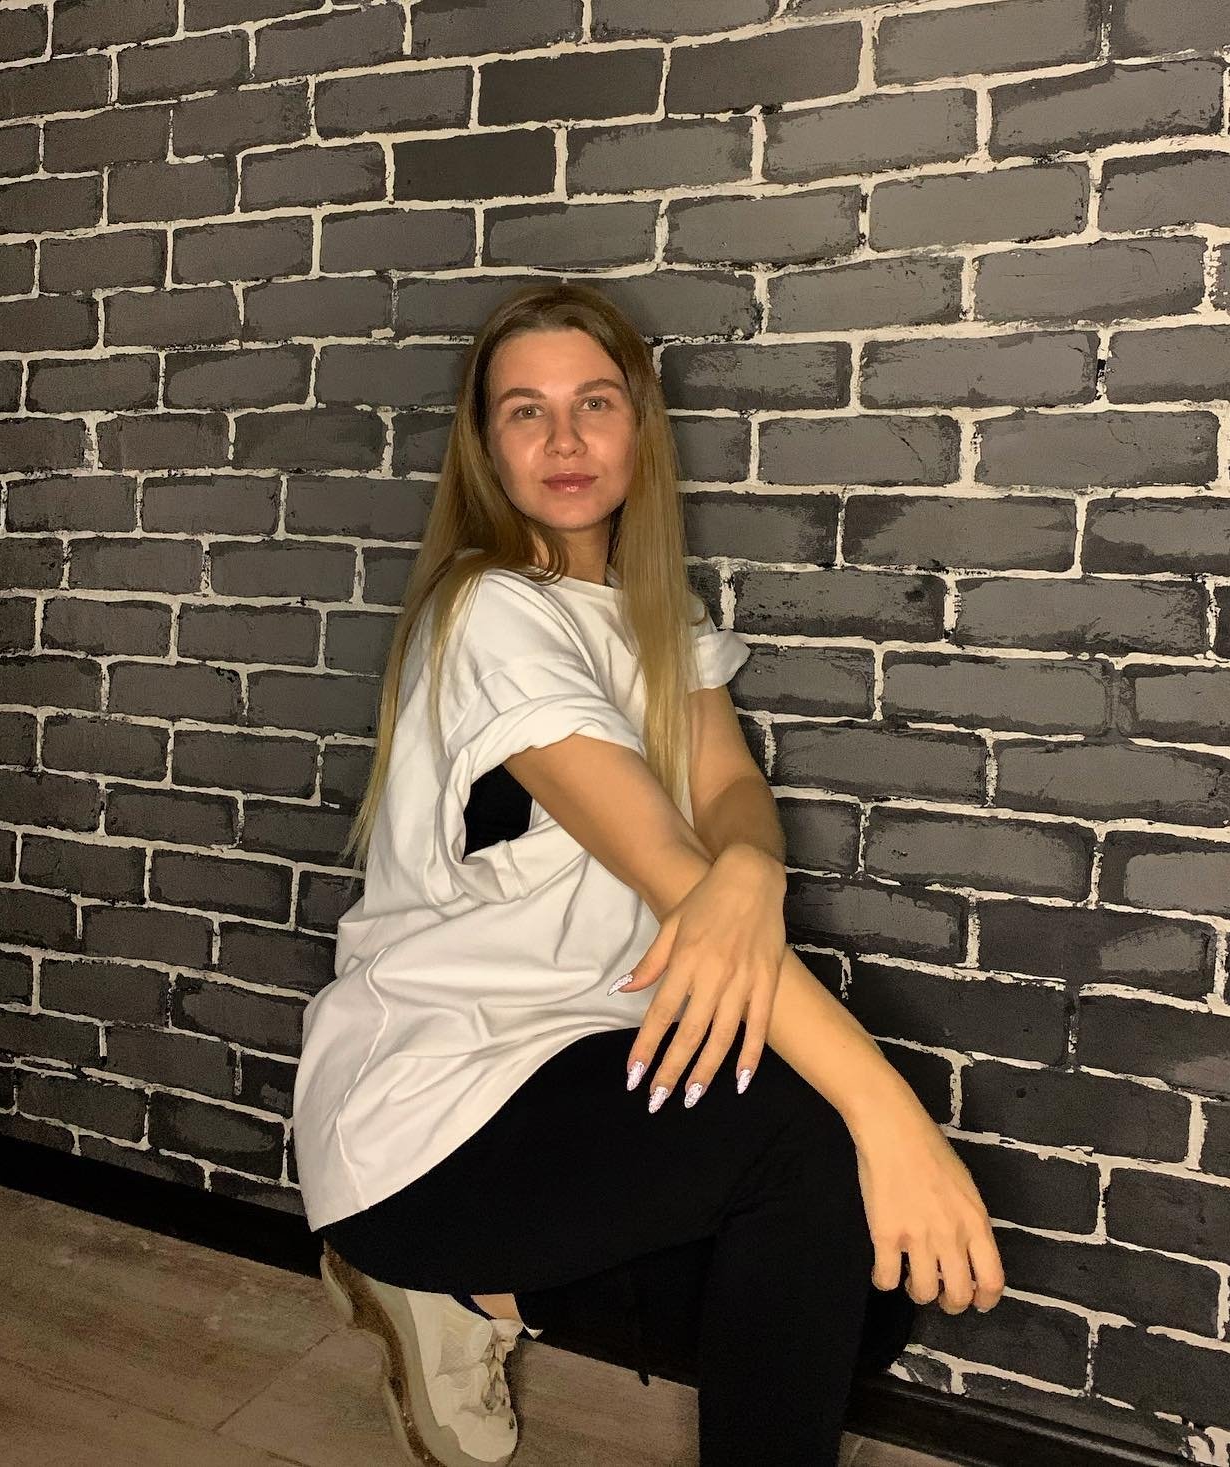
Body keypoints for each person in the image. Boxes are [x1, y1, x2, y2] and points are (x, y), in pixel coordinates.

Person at [290, 281, 1005, 1467]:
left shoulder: (653, 610)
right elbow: (678, 867)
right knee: (814, 1146)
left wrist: (753, 872)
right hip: (436, 1110)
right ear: (486, 447)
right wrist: (897, 1122)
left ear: (639, 428)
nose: (564, 440)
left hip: (583, 1063)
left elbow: (728, 793)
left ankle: (475, 1294)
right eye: (526, 412)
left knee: (862, 1288)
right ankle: (425, 1261)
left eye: (594, 404)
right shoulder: (489, 611)